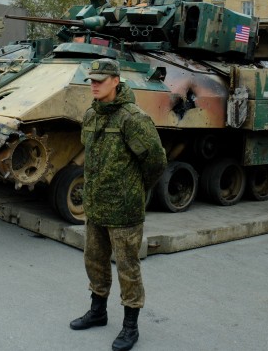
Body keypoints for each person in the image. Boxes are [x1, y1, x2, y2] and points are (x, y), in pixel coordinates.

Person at [70, 58, 167, 351]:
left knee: (127, 268)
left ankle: (130, 326)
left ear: (116, 81)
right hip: (96, 205)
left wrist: (135, 189)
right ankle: (98, 312)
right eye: (92, 80)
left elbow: (156, 161)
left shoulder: (132, 119)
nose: (94, 84)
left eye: (100, 80)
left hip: (124, 210)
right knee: (94, 261)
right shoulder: (91, 115)